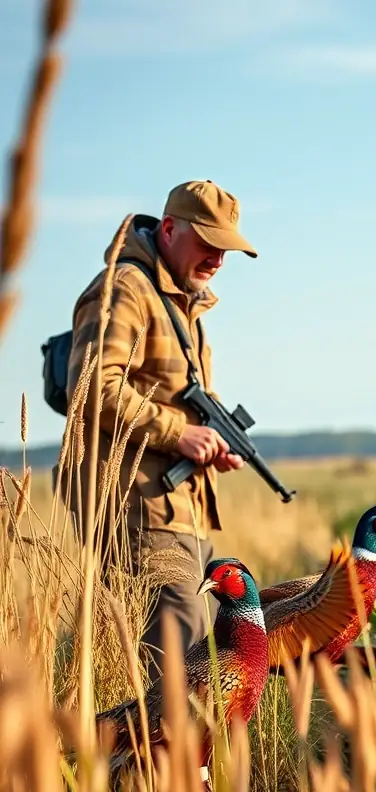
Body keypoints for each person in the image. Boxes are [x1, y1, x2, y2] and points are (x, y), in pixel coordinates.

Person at [63, 179, 258, 682]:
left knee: (203, 648)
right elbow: (91, 387)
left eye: (226, 250)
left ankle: (169, 758)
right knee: (178, 657)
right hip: (135, 504)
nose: (217, 260)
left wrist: (208, 446)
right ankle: (149, 760)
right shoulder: (126, 289)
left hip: (179, 508)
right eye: (208, 244)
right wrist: (179, 434)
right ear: (169, 229)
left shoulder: (181, 304)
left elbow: (166, 397)